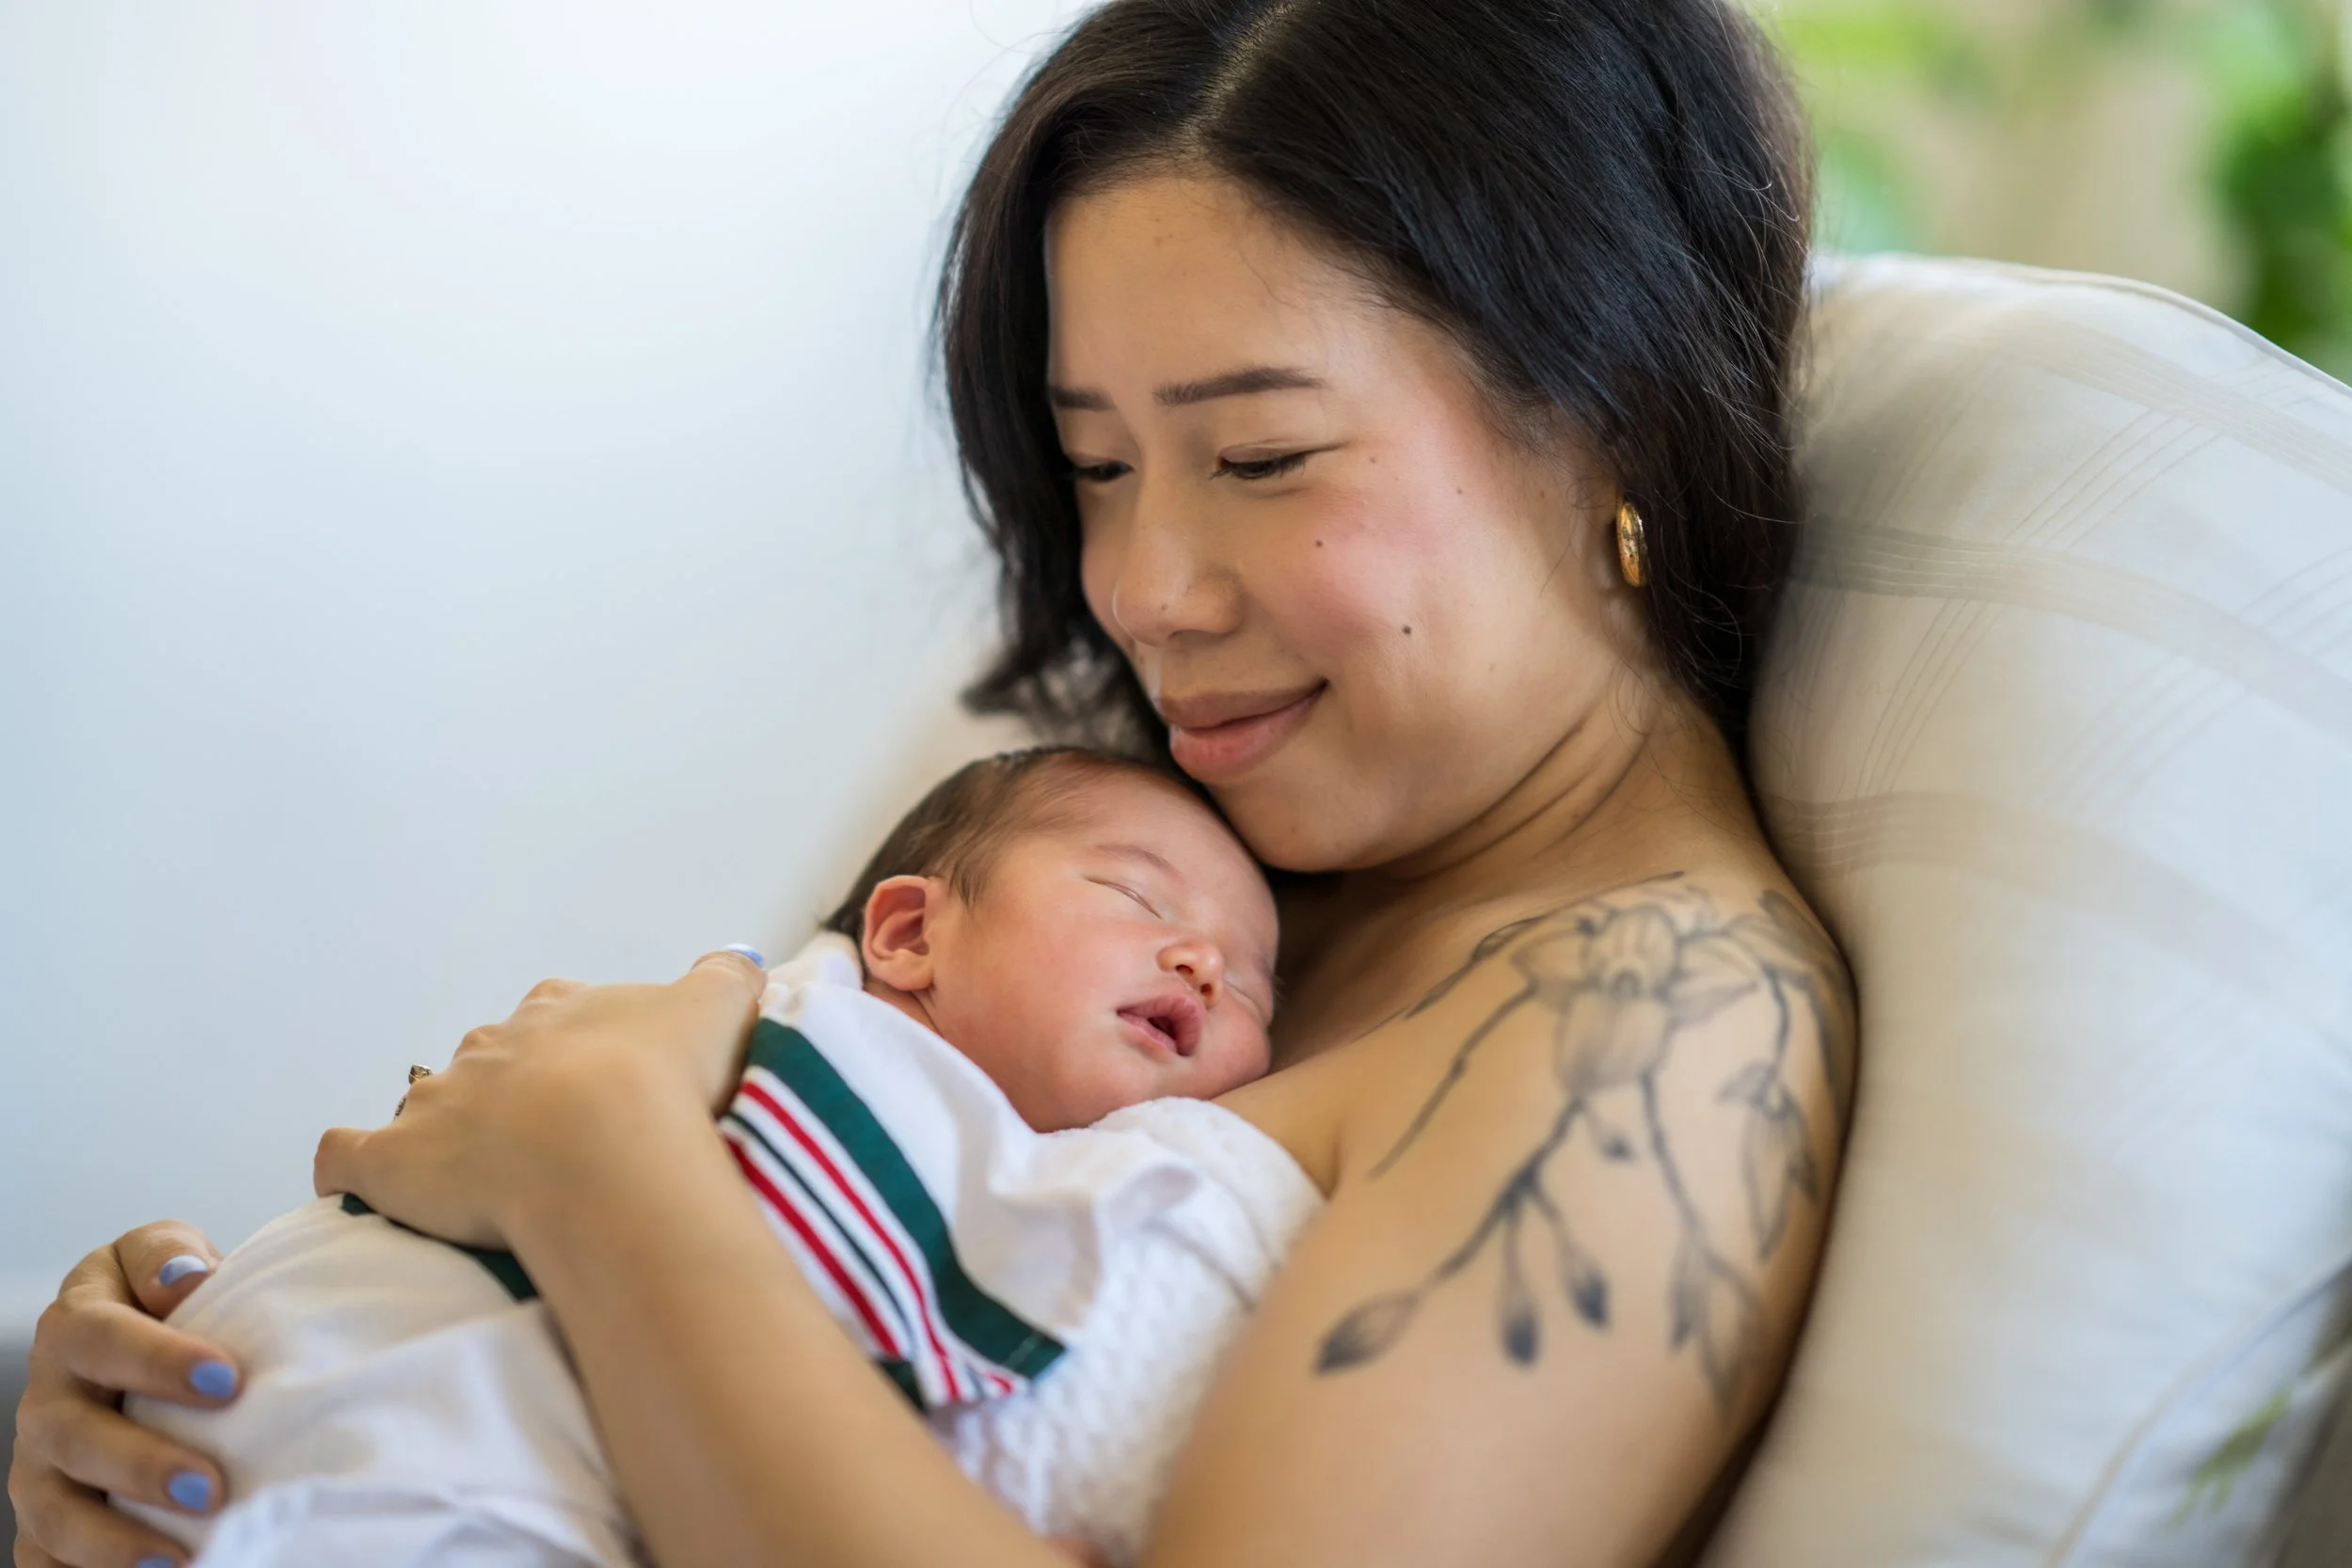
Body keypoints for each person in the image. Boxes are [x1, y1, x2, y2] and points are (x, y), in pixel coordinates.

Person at [9, 2, 1857, 1565]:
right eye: (1097, 466)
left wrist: (597, 1159)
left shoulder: (1654, 1044)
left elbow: (623, 1141)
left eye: (1262, 452)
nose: (1140, 591)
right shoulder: (1189, 830)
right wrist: (236, 1376)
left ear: (1602, 410)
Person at [117, 747, 1304, 1566]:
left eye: (1249, 981)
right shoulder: (828, 1046)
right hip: (383, 1457)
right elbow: (862, 1339)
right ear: (906, 932)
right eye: (1135, 896)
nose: (1203, 962)